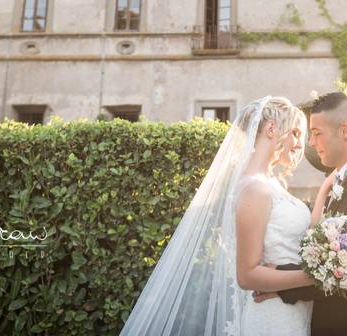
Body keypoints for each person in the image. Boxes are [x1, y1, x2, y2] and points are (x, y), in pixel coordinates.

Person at [120, 95, 324, 335]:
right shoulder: (254, 190)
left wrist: (326, 189)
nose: (301, 144)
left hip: (293, 310)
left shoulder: (269, 183)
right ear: (271, 129)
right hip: (274, 318)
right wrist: (316, 277)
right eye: (296, 134)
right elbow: (247, 275)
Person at [257, 91, 347, 336]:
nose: (311, 143)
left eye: (316, 133)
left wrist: (281, 282)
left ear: (345, 131)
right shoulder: (345, 181)